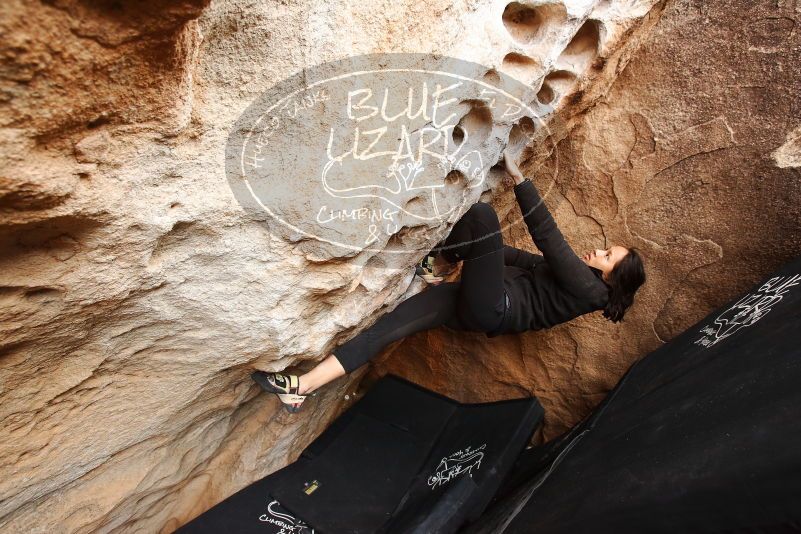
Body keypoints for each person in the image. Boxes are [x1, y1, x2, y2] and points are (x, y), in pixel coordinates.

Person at [253, 149, 646, 412]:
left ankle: (438, 261)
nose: (597, 251)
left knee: (484, 216)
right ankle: (301, 388)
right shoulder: (577, 283)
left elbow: (548, 237)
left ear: (612, 280)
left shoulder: (590, 289)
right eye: (605, 249)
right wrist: (474, 255)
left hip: (492, 308)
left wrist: (519, 177)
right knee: (389, 328)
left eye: (607, 256)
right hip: (472, 305)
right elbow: (512, 256)